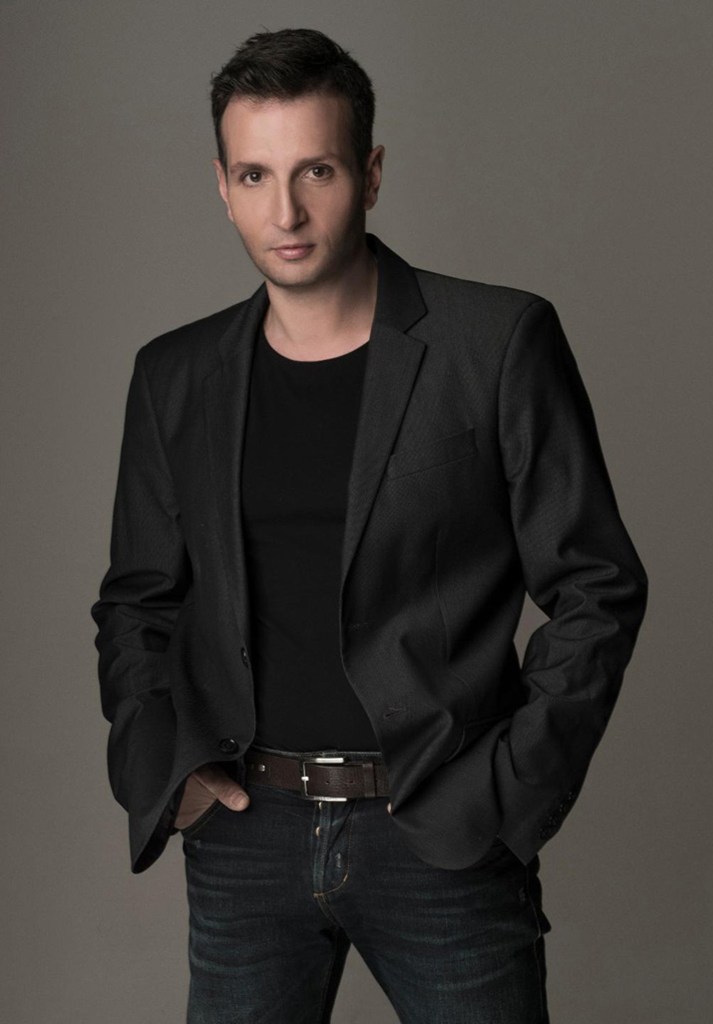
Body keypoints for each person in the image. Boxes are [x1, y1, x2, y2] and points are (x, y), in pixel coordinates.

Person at [92, 27, 648, 1024]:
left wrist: (507, 793)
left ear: (372, 172)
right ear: (222, 186)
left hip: (439, 827)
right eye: (255, 175)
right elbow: (138, 599)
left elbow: (596, 584)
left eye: (317, 170)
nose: (286, 211)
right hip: (245, 835)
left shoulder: (494, 344)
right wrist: (164, 768)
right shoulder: (174, 376)